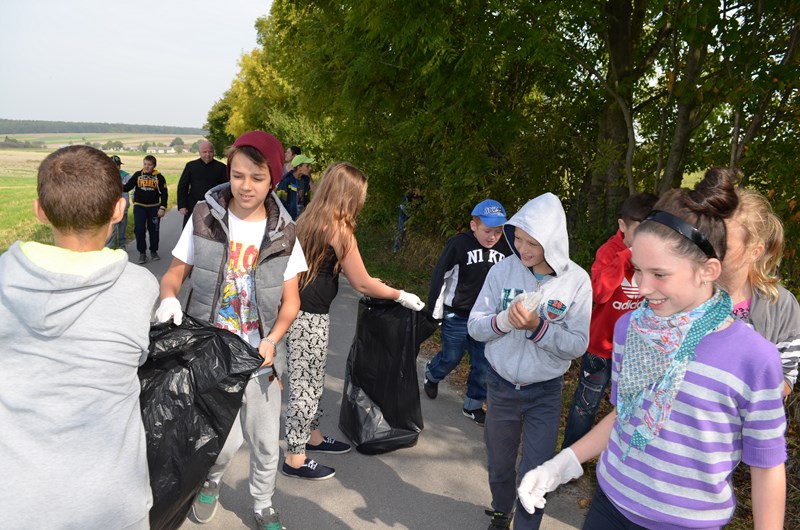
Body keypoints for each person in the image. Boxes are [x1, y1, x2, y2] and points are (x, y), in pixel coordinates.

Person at [517, 168, 787, 530]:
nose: (643, 288)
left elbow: (767, 466)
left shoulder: (754, 359)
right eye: (638, 270)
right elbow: (626, 413)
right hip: (609, 505)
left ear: (708, 270)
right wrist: (562, 463)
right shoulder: (630, 328)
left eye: (659, 274)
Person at [0, 145, 158, 529]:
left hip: (17, 502)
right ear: (119, 210)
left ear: (40, 210)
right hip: (112, 503)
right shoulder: (138, 287)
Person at [155, 130, 304, 530]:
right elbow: (174, 274)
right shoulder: (204, 217)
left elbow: (291, 302)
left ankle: (263, 504)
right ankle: (211, 482)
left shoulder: (286, 231)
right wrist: (168, 298)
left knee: (265, 441)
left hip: (261, 358)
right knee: (219, 441)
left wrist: (272, 339)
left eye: (257, 177)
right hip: (211, 354)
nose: (245, 186)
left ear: (273, 179)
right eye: (238, 175)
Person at [282, 162, 425, 480]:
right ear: (349, 195)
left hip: (301, 311)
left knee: (312, 380)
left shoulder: (309, 218)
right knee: (305, 387)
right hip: (308, 317)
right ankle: (295, 457)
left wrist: (376, 284)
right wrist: (400, 294)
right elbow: (361, 282)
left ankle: (313, 437)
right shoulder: (339, 229)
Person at [468, 192, 592, 530]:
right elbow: (475, 326)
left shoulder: (576, 281)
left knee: (536, 472)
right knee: (499, 463)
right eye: (518, 238)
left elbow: (577, 344)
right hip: (501, 386)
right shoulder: (502, 270)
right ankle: (500, 510)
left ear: (552, 241)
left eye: (532, 242)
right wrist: (503, 321)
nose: (522, 248)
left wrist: (538, 327)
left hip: (545, 393)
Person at [561, 192, 658, 448]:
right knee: (585, 405)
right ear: (623, 225)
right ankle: (570, 456)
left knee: (629, 408)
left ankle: (618, 457)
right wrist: (625, 258)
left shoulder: (655, 257)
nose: (646, 241)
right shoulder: (609, 251)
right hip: (601, 349)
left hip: (635, 350)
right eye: (640, 233)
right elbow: (600, 293)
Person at [424, 199, 513, 425]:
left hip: (486, 318)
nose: (492, 237)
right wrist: (435, 312)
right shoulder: (459, 245)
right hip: (457, 315)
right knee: (451, 357)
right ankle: (432, 373)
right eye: (487, 231)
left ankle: (473, 404)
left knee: (483, 363)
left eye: (498, 232)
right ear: (474, 226)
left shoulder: (506, 250)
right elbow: (440, 276)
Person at [123, 154, 168, 264]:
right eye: (145, 164)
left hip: (154, 208)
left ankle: (153, 251)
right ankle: (142, 253)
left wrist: (162, 208)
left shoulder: (159, 177)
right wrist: (114, 185)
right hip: (139, 207)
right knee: (139, 230)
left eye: (150, 165)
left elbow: (164, 194)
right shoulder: (138, 175)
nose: (147, 166)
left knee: (154, 230)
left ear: (154, 165)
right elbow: (127, 187)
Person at [176, 140, 227, 227]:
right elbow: (183, 186)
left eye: (210, 152)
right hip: (193, 205)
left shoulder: (221, 167)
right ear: (199, 152)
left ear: (213, 152)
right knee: (191, 230)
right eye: (205, 152)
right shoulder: (191, 166)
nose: (208, 154)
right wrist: (182, 205)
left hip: (214, 206)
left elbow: (226, 188)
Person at [105, 154, 132, 249]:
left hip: (123, 207)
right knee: (111, 228)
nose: (116, 167)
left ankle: (122, 246)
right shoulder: (105, 176)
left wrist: (134, 196)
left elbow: (134, 185)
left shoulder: (126, 176)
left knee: (122, 228)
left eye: (117, 165)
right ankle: (109, 248)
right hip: (110, 208)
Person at [276, 153, 314, 220]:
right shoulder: (286, 181)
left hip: (303, 218)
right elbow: (280, 203)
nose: (310, 168)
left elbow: (307, 200)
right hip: (289, 219)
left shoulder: (306, 181)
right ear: (299, 168)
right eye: (307, 166)